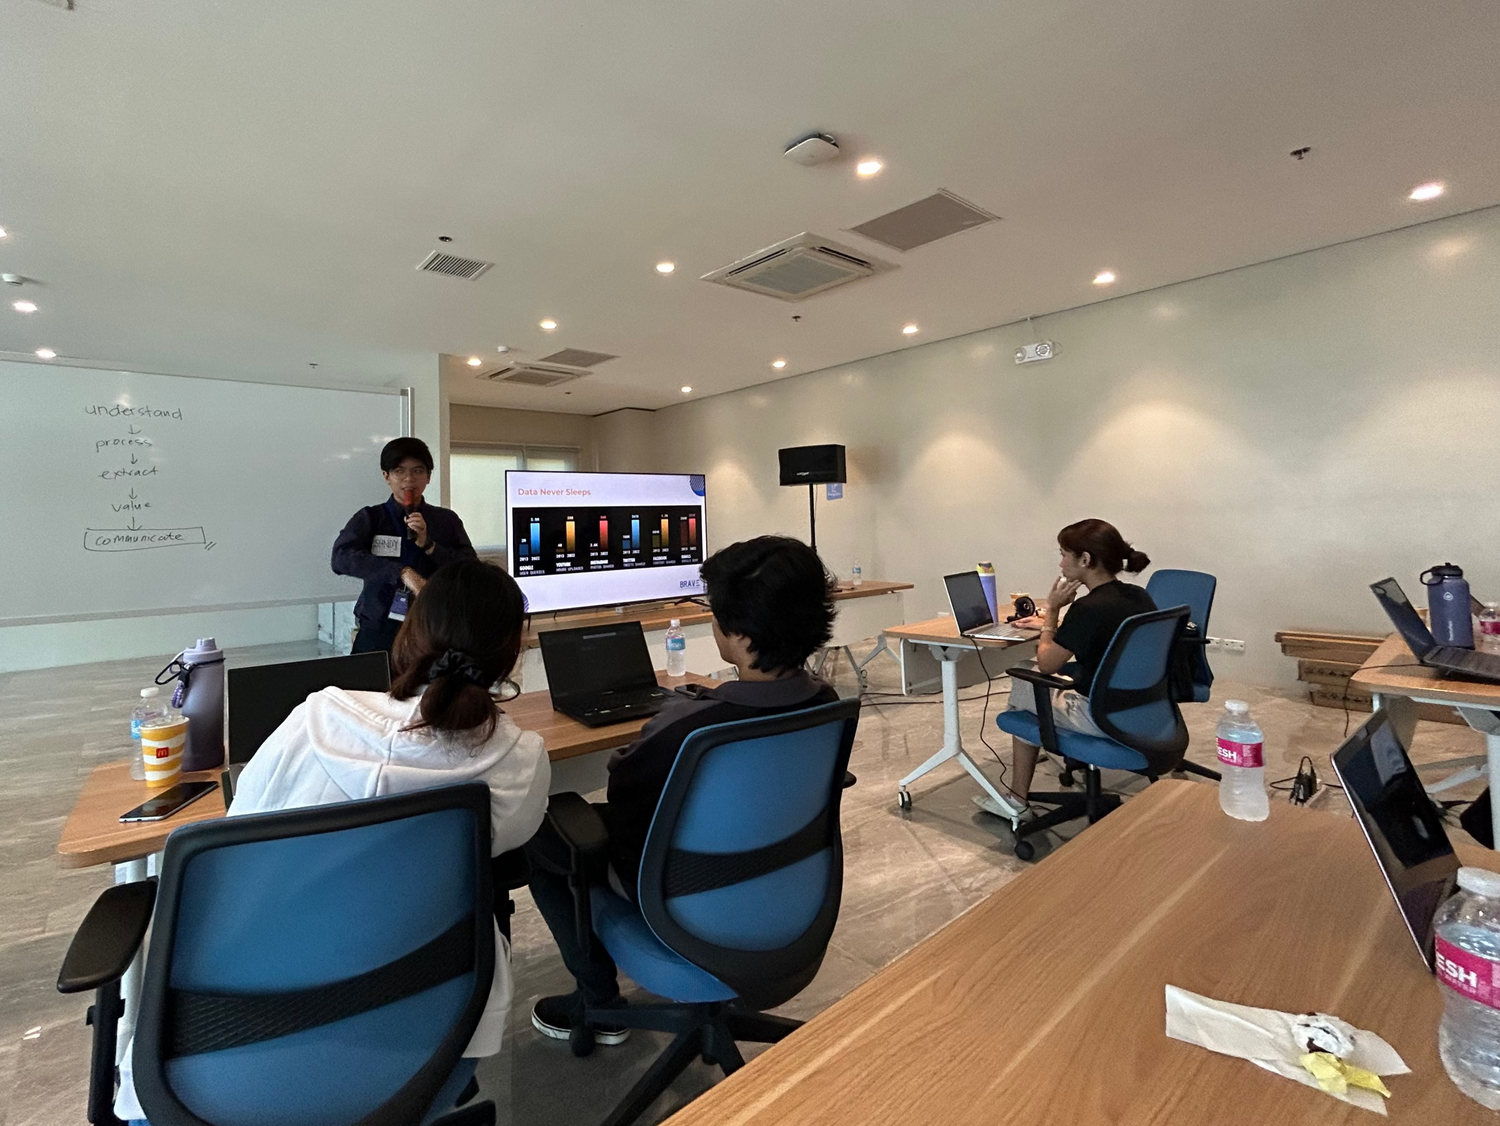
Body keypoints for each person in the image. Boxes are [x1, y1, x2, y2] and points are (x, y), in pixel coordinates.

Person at [112, 560, 549, 1124]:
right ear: (512, 656)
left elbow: (236, 838)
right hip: (435, 1045)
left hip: (222, 1063)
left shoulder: (316, 719)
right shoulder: (520, 759)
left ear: (408, 632)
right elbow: (504, 842)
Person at [525, 535, 839, 1046]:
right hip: (790, 889)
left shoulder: (693, 729)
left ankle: (597, 1001)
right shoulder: (826, 703)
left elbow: (626, 799)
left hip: (681, 901)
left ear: (733, 631)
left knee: (545, 831)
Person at [998, 518, 1155, 816]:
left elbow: (1046, 664)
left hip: (1099, 716)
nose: (1060, 564)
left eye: (1063, 554)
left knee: (1026, 677)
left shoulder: (1088, 609)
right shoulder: (1138, 595)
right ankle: (1043, 759)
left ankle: (1017, 800)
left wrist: (1053, 611)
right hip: (1142, 710)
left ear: (1085, 559)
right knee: (1032, 684)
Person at [332, 436, 477, 654]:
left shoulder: (446, 520)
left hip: (432, 628)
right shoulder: (372, 517)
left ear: (428, 477)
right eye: (399, 471)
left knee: (429, 688)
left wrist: (429, 545)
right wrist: (402, 572)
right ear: (386, 476)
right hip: (379, 627)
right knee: (368, 687)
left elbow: (470, 568)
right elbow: (341, 557)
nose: (409, 479)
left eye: (418, 471)